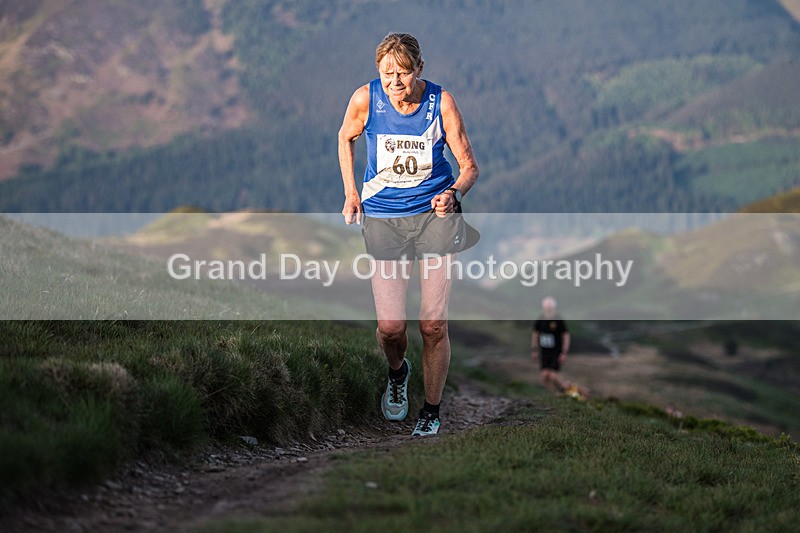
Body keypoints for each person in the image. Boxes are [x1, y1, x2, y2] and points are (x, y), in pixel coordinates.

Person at [338, 33, 479, 436]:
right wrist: (351, 193)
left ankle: (431, 412)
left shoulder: (441, 102)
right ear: (377, 70)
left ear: (420, 68)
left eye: (403, 73)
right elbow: (345, 137)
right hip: (384, 218)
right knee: (390, 328)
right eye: (387, 73)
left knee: (433, 324)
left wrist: (453, 194)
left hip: (435, 217)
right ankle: (398, 372)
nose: (394, 81)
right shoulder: (365, 100)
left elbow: (469, 167)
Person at [531, 296, 586, 398]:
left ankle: (576, 390)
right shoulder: (540, 319)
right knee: (544, 376)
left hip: (556, 351)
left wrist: (564, 352)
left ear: (553, 308)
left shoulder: (558, 319)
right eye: (546, 308)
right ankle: (555, 396)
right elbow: (535, 334)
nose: (547, 310)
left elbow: (566, 335)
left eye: (549, 308)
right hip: (544, 351)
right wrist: (534, 349)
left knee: (553, 375)